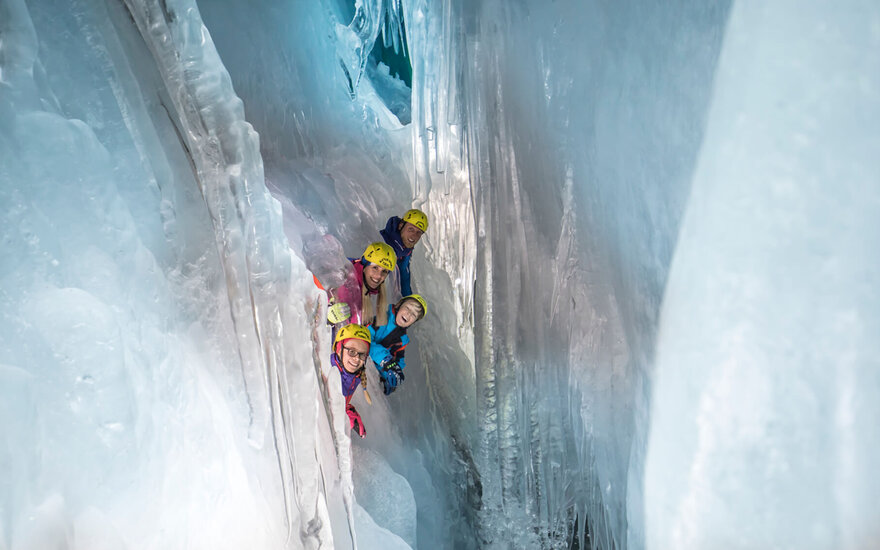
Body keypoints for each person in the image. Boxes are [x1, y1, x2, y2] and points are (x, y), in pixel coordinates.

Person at [327, 242, 397, 329]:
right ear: (364, 265)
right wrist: (328, 318)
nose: (379, 275)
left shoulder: (368, 290)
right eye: (375, 267)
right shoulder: (345, 280)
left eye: (384, 271)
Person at [369, 294, 427, 395]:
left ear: (413, 322)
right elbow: (365, 340)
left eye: (414, 315)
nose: (408, 314)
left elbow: (397, 362)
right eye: (407, 308)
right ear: (399, 305)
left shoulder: (402, 340)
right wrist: (385, 360)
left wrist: (390, 376)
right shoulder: (381, 317)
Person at [331, 323, 372, 438]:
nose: (357, 358)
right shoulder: (328, 369)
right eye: (352, 351)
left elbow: (338, 400)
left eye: (362, 354)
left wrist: (349, 413)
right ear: (339, 349)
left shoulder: (354, 376)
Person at [380, 209, 428, 296]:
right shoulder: (382, 244)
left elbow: (404, 279)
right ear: (401, 226)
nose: (414, 236)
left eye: (419, 232)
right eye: (411, 229)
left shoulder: (405, 252)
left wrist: (409, 300)